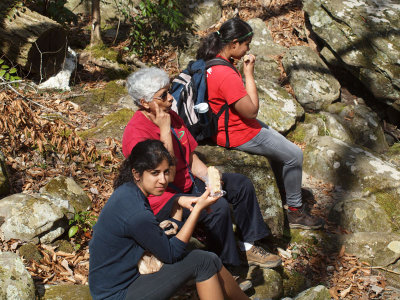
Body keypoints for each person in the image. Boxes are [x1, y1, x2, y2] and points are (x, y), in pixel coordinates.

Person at [122, 67, 282, 272]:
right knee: (217, 208)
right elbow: (165, 176)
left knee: (240, 185)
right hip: (166, 195)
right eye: (163, 95)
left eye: (169, 91)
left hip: (187, 181)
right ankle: (228, 267)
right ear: (144, 102)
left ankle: (248, 246)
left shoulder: (170, 115)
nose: (171, 98)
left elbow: (190, 156)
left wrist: (208, 178)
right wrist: (164, 129)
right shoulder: (137, 133)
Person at [196, 17, 324, 230]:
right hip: (237, 132)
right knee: (295, 155)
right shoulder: (226, 73)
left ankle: (285, 188)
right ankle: (295, 212)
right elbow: (251, 112)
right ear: (234, 43)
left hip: (219, 128)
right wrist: (249, 74)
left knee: (278, 141)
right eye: (246, 44)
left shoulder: (208, 62)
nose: (247, 49)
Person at [89, 139, 251, 300]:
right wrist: (197, 210)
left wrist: (177, 202)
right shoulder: (137, 214)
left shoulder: (128, 192)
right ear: (136, 173)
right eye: (155, 173)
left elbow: (168, 241)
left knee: (211, 259)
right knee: (203, 261)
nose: (163, 180)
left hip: (122, 283)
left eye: (166, 172)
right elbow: (172, 254)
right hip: (117, 294)